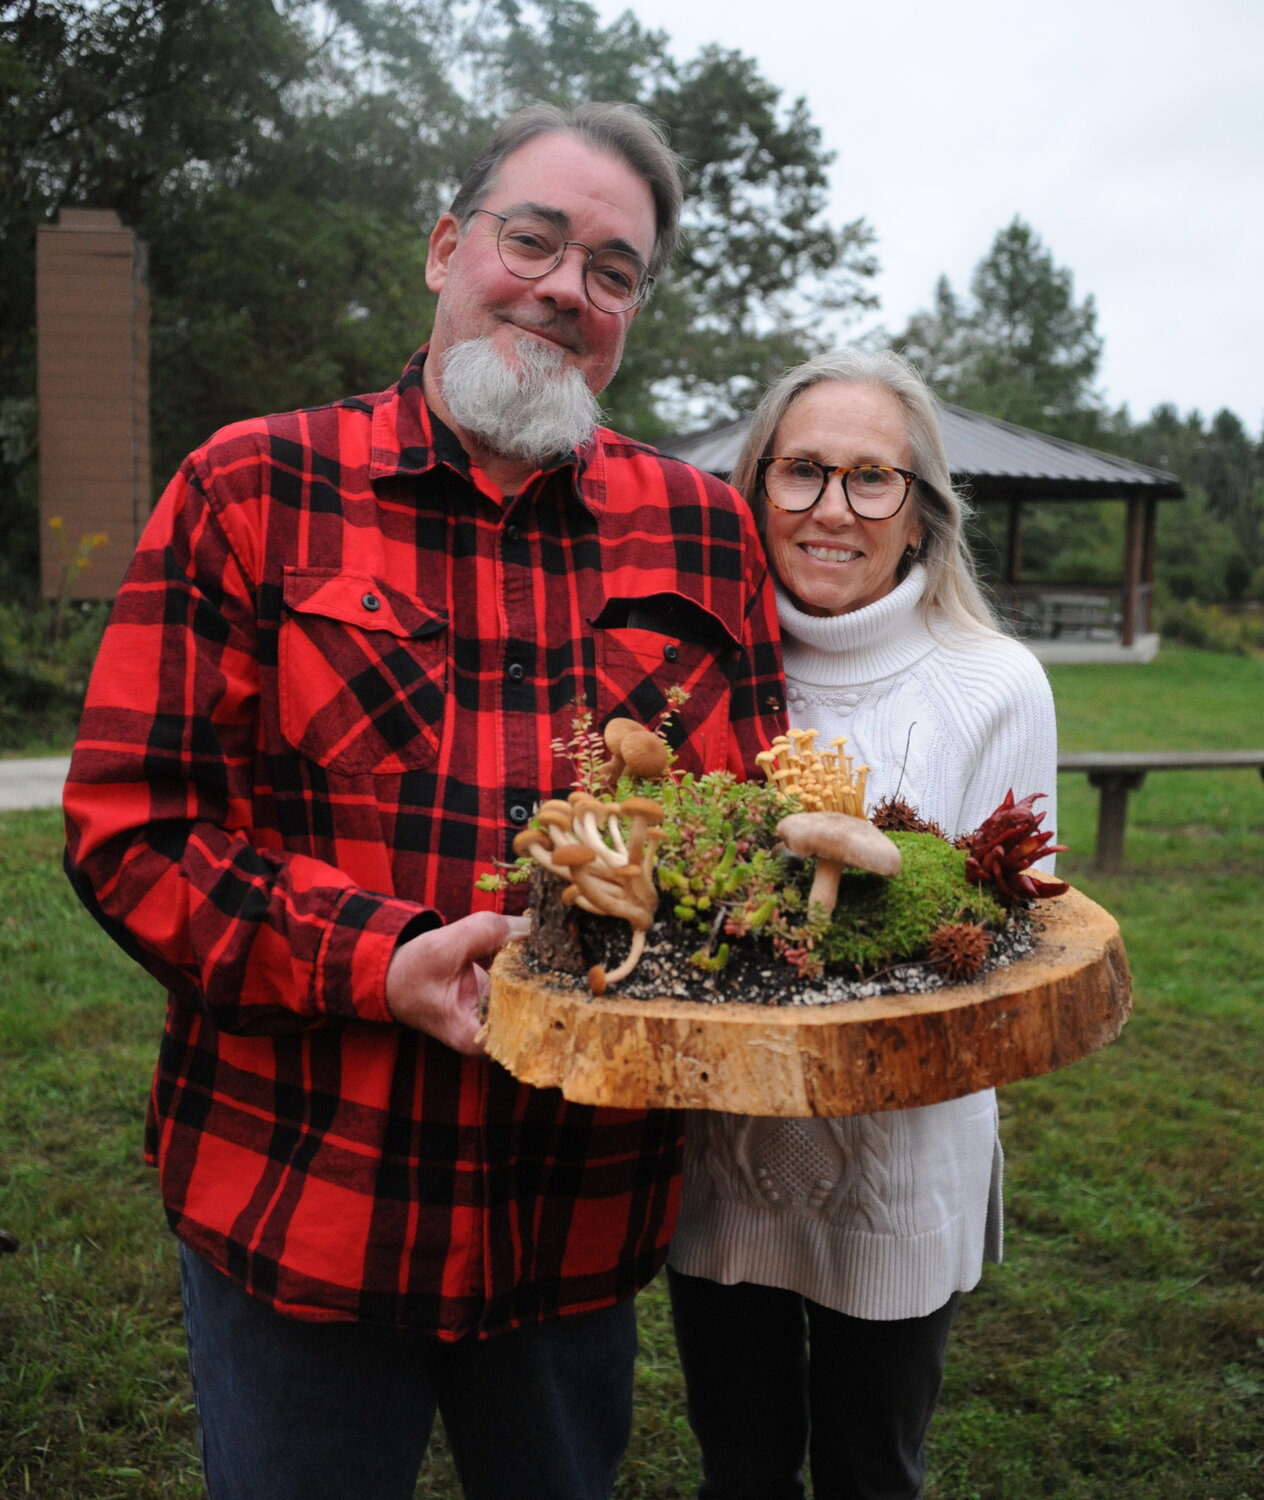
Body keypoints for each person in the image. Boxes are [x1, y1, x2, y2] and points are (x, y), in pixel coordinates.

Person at [63, 101, 786, 1500]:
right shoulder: (254, 483)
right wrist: (374, 962)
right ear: (448, 247)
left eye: (615, 271)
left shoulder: (700, 530)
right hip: (304, 1190)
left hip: (578, 1210)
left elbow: (742, 838)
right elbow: (130, 828)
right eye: (535, 239)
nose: (569, 288)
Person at [666, 348, 1059, 1500]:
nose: (831, 509)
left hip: (900, 1168)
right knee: (737, 1467)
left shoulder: (993, 683)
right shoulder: (711, 672)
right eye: (801, 473)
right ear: (755, 490)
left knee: (868, 1471)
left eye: (870, 479)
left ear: (920, 514)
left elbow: (1012, 943)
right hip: (720, 1156)